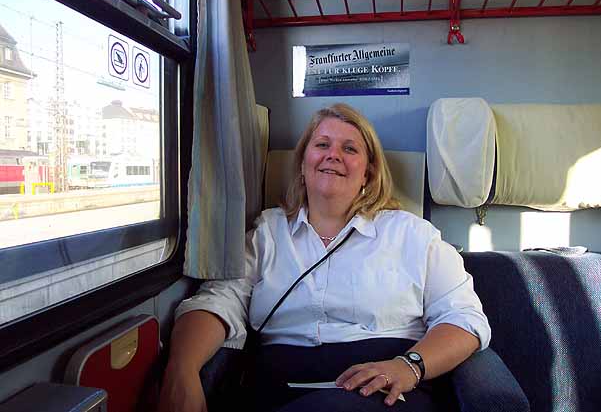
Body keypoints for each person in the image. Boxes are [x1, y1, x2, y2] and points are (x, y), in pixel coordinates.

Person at [158, 103, 491, 412]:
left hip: (382, 390)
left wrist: (410, 365)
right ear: (303, 164)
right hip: (278, 389)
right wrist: (181, 369)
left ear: (368, 173)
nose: (333, 155)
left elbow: (465, 319)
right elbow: (217, 302)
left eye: (349, 148)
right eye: (322, 145)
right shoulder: (267, 232)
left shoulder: (413, 235)